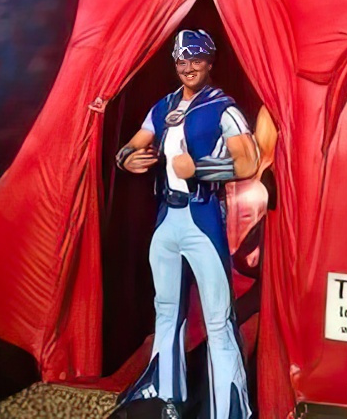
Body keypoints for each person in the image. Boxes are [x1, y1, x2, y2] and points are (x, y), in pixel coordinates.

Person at [113, 29, 258, 419]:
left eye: (195, 60)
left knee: (217, 317)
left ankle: (230, 408)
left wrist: (203, 168)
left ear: (210, 62)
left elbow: (249, 162)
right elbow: (135, 142)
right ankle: (165, 393)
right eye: (181, 61)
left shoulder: (223, 108)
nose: (188, 68)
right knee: (166, 307)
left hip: (202, 217)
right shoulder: (164, 106)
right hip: (166, 218)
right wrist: (126, 157)